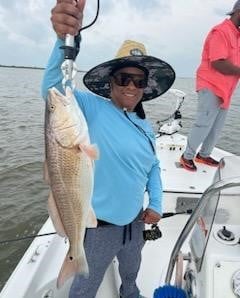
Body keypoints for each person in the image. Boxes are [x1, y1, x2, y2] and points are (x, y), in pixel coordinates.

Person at [42, 1, 175, 297]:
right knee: (85, 285)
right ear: (110, 82)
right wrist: (66, 39)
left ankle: (130, 291)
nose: (131, 86)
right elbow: (53, 90)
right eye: (123, 78)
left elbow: (152, 166)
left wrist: (155, 202)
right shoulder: (90, 108)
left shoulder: (145, 125)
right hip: (99, 228)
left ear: (145, 87)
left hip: (135, 222)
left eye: (138, 80)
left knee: (131, 270)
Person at [180, 0, 240, 172]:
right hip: (211, 85)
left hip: (226, 90)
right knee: (203, 123)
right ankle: (187, 156)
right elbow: (218, 63)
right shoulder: (221, 31)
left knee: (217, 127)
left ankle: (203, 155)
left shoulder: (237, 36)